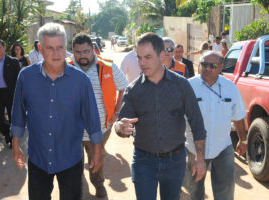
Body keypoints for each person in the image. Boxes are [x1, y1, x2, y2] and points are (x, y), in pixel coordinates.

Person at [11, 23, 103, 200]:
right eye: (50, 48)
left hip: (70, 158)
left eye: (60, 47)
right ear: (40, 49)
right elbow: (18, 113)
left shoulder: (80, 80)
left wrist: (98, 150)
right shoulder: (26, 77)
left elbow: (92, 118)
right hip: (38, 157)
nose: (56, 53)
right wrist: (16, 144)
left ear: (66, 47)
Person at [114, 32, 206, 200]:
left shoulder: (182, 85)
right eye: (139, 58)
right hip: (143, 161)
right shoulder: (133, 90)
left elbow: (197, 123)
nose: (142, 63)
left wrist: (200, 158)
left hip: (175, 161)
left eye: (147, 57)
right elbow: (120, 124)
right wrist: (120, 127)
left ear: (162, 55)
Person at [66, 33, 129, 198]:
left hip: (100, 128)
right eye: (78, 52)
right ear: (72, 51)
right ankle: (78, 186)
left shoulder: (107, 66)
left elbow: (123, 87)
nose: (82, 56)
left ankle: (99, 185)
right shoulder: (64, 67)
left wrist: (116, 112)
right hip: (72, 129)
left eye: (86, 51)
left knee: (97, 160)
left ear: (93, 50)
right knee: (74, 163)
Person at [184, 51, 247, 200]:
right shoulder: (188, 86)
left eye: (212, 65)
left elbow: (238, 116)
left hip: (222, 147)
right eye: (204, 64)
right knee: (195, 190)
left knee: (225, 191)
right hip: (193, 148)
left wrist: (243, 140)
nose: (207, 68)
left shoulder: (230, 87)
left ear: (221, 68)